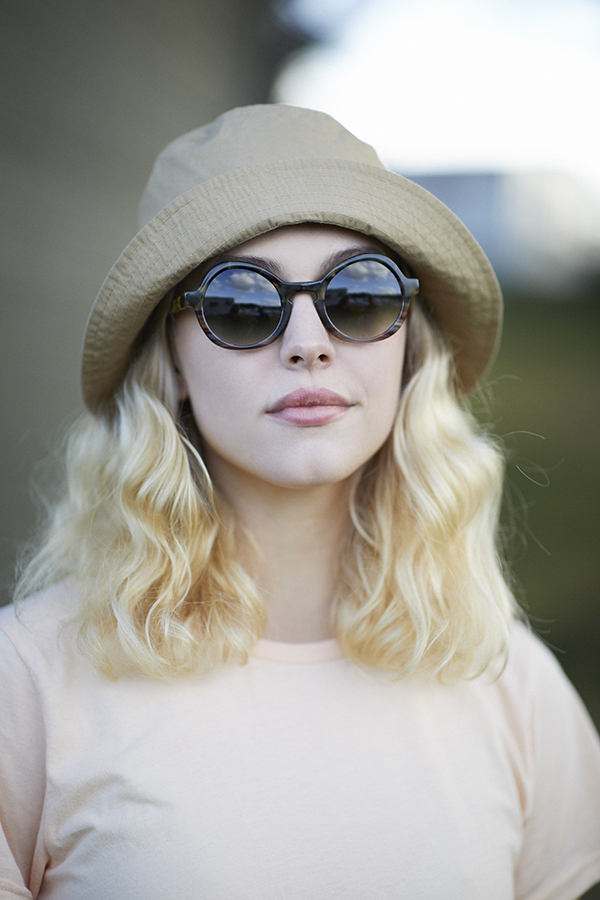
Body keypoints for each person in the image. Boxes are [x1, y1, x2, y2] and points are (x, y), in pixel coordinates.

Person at [1, 104, 599, 900]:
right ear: (171, 368)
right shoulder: (28, 683)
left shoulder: (513, 686)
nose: (308, 342)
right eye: (241, 303)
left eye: (358, 295)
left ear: (407, 350)